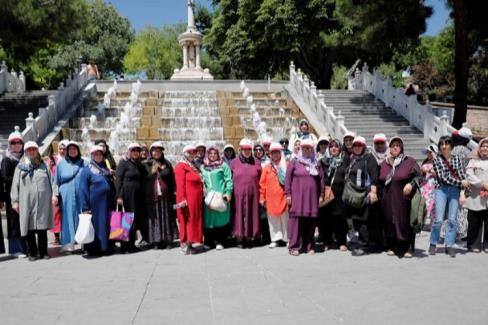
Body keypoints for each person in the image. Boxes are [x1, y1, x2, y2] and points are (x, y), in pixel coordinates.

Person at [10, 142, 55, 261]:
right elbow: (15, 185)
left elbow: (53, 181)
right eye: (29, 149)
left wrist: (55, 195)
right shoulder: (20, 167)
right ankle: (33, 252)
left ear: (37, 150)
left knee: (42, 228)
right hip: (26, 202)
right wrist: (14, 201)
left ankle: (44, 252)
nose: (31, 151)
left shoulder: (44, 165)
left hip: (43, 203)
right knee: (29, 228)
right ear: (25, 151)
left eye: (34, 149)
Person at [379, 137, 421, 258]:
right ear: (389, 148)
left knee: (405, 221)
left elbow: (419, 177)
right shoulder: (385, 163)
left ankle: (409, 247)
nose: (395, 147)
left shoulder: (409, 161)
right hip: (387, 200)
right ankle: (393, 246)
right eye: (393, 145)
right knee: (390, 222)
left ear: (402, 147)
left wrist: (411, 184)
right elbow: (380, 180)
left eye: (398, 145)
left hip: (404, 200)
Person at [429, 136, 468, 258]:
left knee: (452, 219)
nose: (444, 146)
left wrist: (462, 190)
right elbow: (443, 177)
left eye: (446, 144)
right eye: (441, 144)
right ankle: (433, 243)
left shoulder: (457, 158)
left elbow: (462, 175)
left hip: (455, 191)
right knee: (439, 219)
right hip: (441, 190)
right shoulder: (437, 160)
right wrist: (461, 183)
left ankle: (449, 244)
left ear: (451, 145)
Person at [285, 138, 324, 255]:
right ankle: (294, 246)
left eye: (309, 148)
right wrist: (288, 194)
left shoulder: (316, 163)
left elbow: (321, 180)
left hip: (311, 199)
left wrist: (321, 195)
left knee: (311, 222)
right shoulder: (294, 162)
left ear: (312, 149)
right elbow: (287, 180)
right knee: (296, 222)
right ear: (301, 149)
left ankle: (309, 246)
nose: (307, 150)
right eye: (304, 148)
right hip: (297, 198)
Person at [343, 136, 379, 256]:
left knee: (362, 219)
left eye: (359, 145)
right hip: (354, 195)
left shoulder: (368, 158)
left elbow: (374, 176)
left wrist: (373, 192)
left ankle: (365, 246)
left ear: (363, 146)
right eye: (355, 145)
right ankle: (363, 242)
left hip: (364, 194)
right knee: (356, 219)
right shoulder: (353, 158)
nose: (357, 147)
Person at [79, 145, 116, 256]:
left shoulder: (105, 168)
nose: (98, 156)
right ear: (92, 155)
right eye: (95, 154)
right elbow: (83, 189)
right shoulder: (87, 170)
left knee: (106, 224)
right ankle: (95, 249)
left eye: (100, 154)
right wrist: (85, 207)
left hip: (107, 203)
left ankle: (106, 247)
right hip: (95, 205)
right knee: (97, 225)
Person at [56, 141, 88, 253]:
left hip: (82, 195)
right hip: (66, 196)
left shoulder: (85, 163)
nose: (72, 151)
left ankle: (85, 243)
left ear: (78, 150)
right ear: (67, 151)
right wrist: (56, 195)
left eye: (75, 149)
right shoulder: (61, 164)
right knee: (67, 219)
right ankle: (68, 244)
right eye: (70, 149)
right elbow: (57, 181)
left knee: (83, 217)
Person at [143, 142, 177, 249]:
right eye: (154, 151)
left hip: (165, 196)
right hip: (151, 196)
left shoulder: (167, 163)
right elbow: (143, 180)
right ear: (151, 152)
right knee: (154, 218)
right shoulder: (146, 165)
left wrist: (161, 171)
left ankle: (167, 240)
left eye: (159, 151)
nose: (157, 153)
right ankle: (156, 241)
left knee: (166, 217)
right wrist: (152, 173)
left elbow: (171, 178)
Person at [115, 143, 147, 253]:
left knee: (133, 220)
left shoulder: (138, 164)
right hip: (127, 195)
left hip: (136, 196)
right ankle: (124, 246)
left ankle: (131, 244)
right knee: (126, 219)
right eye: (133, 150)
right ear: (129, 151)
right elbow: (118, 179)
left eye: (137, 150)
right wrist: (119, 195)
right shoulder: (123, 162)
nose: (135, 152)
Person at [1, 129, 28, 257]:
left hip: (25, 195)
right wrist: (21, 177)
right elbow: (5, 177)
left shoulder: (25, 159)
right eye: (13, 142)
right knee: (13, 222)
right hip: (12, 196)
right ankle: (14, 249)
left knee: (24, 221)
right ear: (9, 144)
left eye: (19, 142)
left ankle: (25, 247)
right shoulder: (7, 159)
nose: (16, 145)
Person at [230, 139, 262, 247]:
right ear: (240, 149)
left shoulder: (257, 162)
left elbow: (261, 179)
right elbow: (229, 179)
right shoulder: (233, 162)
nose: (247, 151)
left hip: (253, 194)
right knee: (238, 214)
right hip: (238, 195)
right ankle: (239, 237)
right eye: (244, 149)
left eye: (249, 149)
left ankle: (250, 236)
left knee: (252, 213)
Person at [200, 146, 233, 250]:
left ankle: (221, 241)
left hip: (220, 197)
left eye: (215, 153)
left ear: (218, 155)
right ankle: (209, 242)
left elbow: (228, 180)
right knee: (209, 220)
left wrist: (228, 192)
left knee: (221, 219)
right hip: (208, 197)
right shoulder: (203, 167)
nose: (212, 155)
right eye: (210, 154)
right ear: (207, 155)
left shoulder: (223, 166)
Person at [319, 139, 348, 252]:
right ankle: (327, 241)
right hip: (327, 195)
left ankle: (342, 241)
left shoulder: (344, 160)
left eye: (336, 146)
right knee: (326, 218)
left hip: (340, 195)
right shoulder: (323, 161)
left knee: (340, 218)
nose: (333, 148)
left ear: (340, 148)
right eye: (331, 147)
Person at [174, 145, 204, 254]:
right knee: (185, 220)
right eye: (190, 152)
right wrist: (182, 200)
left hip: (195, 199)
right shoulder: (181, 166)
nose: (192, 154)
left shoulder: (193, 165)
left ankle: (190, 243)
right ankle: (184, 245)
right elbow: (180, 185)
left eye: (194, 152)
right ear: (185, 153)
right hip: (186, 200)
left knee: (192, 221)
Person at [259, 143, 288, 248]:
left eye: (277, 152)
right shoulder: (267, 168)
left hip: (283, 196)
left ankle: (287, 238)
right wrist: (262, 197)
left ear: (280, 153)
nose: (275, 155)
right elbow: (262, 184)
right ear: (270, 154)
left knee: (285, 218)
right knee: (272, 218)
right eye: (273, 153)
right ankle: (275, 239)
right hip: (271, 198)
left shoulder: (286, 165)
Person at [464, 138, 488, 253]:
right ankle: (474, 244)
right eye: (483, 146)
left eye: (487, 147)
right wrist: (482, 184)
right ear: (479, 148)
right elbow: (469, 175)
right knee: (475, 221)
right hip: (476, 196)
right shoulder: (473, 161)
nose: (485, 148)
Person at [45, 139, 69, 245]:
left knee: (66, 214)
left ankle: (67, 235)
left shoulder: (70, 160)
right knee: (56, 214)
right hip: (55, 190)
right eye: (60, 148)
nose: (62, 150)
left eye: (64, 149)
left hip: (66, 190)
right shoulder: (53, 160)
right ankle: (57, 237)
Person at [420, 145, 438, 226]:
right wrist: (422, 171)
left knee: (434, 205)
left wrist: (430, 170)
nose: (429, 154)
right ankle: (422, 222)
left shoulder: (438, 161)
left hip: (434, 186)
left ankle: (433, 223)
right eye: (428, 152)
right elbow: (420, 174)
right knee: (425, 205)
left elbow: (439, 173)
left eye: (430, 152)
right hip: (425, 186)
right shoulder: (425, 162)